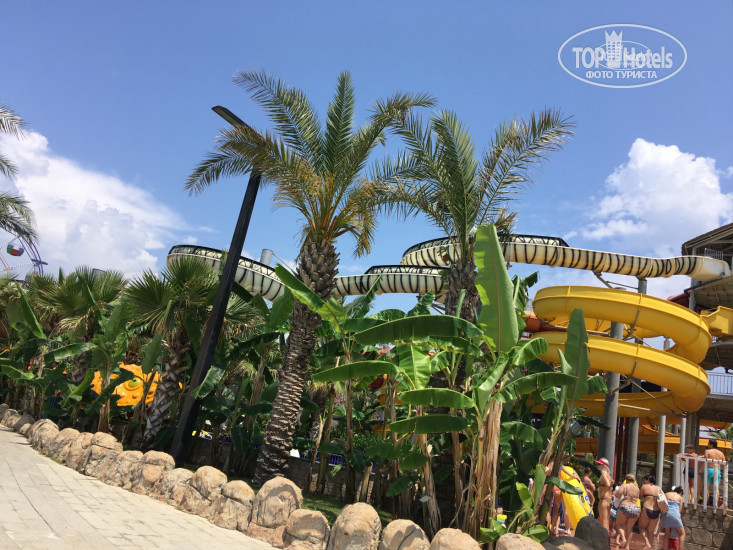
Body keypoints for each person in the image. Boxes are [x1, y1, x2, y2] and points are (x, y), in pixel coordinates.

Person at [614, 473, 641, 550]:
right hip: (635, 508)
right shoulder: (637, 488)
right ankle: (627, 546)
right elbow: (638, 497)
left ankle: (623, 538)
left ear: (626, 479)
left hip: (625, 506)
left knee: (619, 524)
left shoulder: (624, 486)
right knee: (629, 528)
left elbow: (618, 495)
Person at [638, 474, 663, 549]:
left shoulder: (644, 486)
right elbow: (663, 498)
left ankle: (647, 543)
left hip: (647, 509)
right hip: (656, 511)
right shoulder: (658, 488)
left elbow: (640, 497)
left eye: (645, 479)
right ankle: (649, 546)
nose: (644, 481)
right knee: (651, 531)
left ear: (648, 480)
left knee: (641, 528)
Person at [699, 439, 726, 505]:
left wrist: (700, 469)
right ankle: (716, 504)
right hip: (717, 470)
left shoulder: (708, 451)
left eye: (708, 444)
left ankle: (705, 503)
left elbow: (705, 461)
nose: (708, 445)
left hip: (709, 470)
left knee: (706, 488)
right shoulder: (721, 453)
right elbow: (724, 463)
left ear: (711, 445)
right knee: (716, 488)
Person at [661, 486, 685, 550]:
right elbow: (679, 511)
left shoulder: (667, 494)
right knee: (682, 534)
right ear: (680, 493)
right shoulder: (680, 498)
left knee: (667, 534)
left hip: (666, 514)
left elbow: (662, 502)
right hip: (675, 514)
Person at [595, 458, 614, 533]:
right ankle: (605, 537)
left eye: (599, 464)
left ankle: (605, 538)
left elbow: (608, 484)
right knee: (605, 521)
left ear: (603, 466)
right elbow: (610, 486)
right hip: (608, 500)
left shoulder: (603, 473)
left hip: (604, 500)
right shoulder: (608, 475)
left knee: (604, 522)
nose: (597, 465)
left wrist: (603, 492)